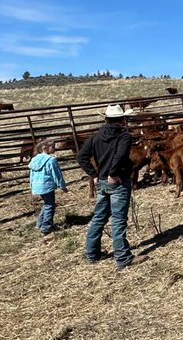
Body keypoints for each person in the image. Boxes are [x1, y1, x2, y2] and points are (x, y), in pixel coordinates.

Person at [77, 104, 147, 269]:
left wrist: (94, 175)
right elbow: (120, 155)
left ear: (106, 119)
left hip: (102, 182)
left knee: (99, 217)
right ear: (122, 119)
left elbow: (81, 156)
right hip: (118, 181)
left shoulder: (95, 136)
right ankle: (122, 257)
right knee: (118, 219)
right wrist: (113, 173)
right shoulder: (124, 137)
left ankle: (91, 253)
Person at [28, 137, 68, 240]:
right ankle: (46, 227)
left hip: (37, 186)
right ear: (45, 148)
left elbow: (31, 174)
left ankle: (39, 224)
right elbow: (57, 175)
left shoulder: (34, 159)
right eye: (53, 147)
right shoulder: (51, 160)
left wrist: (31, 186)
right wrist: (62, 186)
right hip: (46, 186)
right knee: (50, 205)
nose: (55, 148)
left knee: (47, 204)